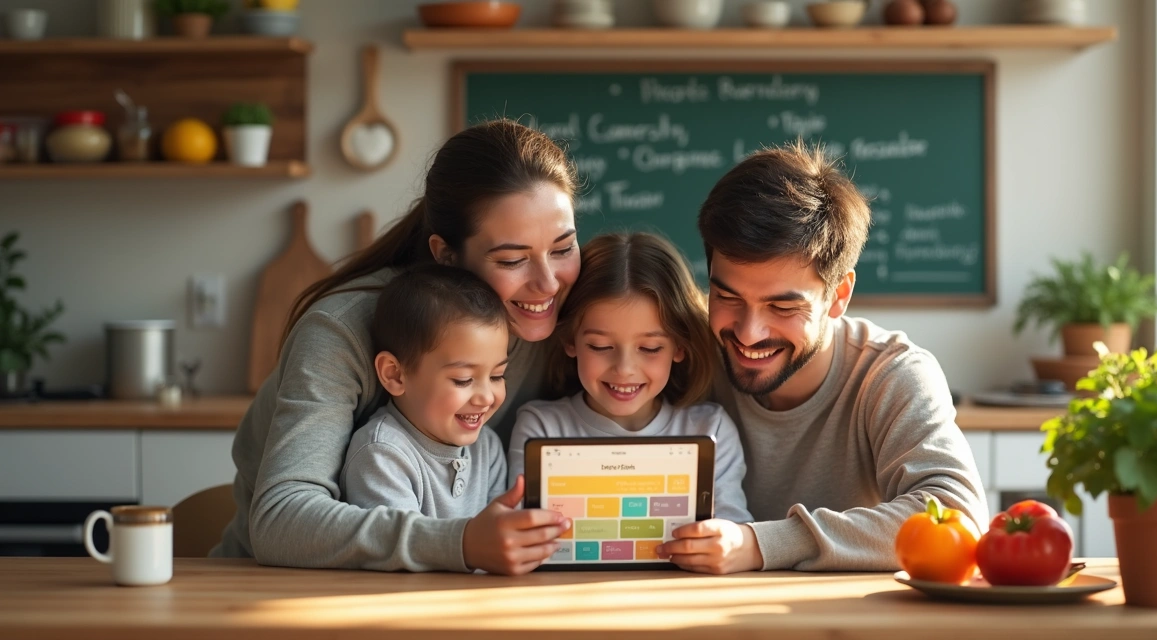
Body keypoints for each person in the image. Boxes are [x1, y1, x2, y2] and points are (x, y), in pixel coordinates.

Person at [212, 120, 582, 575]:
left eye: (563, 248)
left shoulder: (571, 316)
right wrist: (461, 543)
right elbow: (281, 520)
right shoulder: (341, 330)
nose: (548, 282)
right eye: (512, 259)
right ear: (446, 255)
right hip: (270, 590)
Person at [656, 141, 988, 574]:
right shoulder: (681, 353)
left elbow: (956, 514)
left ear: (839, 295)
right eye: (727, 295)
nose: (748, 332)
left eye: (782, 307)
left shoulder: (890, 374)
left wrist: (761, 544)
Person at [339, 264, 570, 574]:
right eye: (463, 380)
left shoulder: (486, 446)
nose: (486, 397)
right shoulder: (381, 455)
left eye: (498, 375)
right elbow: (397, 563)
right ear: (394, 374)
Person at [508, 232, 751, 524]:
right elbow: (523, 531)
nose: (624, 369)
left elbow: (735, 534)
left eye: (649, 348)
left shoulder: (710, 430)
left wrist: (721, 542)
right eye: (600, 347)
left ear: (679, 346)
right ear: (570, 341)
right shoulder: (542, 428)